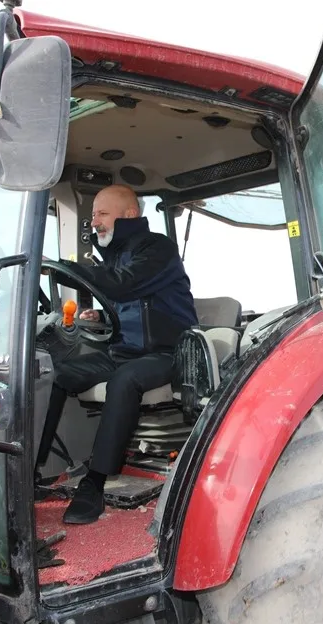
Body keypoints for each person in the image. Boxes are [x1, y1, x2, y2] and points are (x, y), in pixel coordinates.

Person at [40, 184, 198, 524]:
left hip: (169, 352)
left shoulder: (159, 249)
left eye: (101, 213)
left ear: (129, 215)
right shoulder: (114, 256)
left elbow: (124, 283)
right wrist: (99, 315)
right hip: (125, 351)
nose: (94, 222)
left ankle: (94, 484)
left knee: (124, 380)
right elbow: (125, 298)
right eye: (93, 214)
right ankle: (37, 467)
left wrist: (66, 266)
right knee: (61, 373)